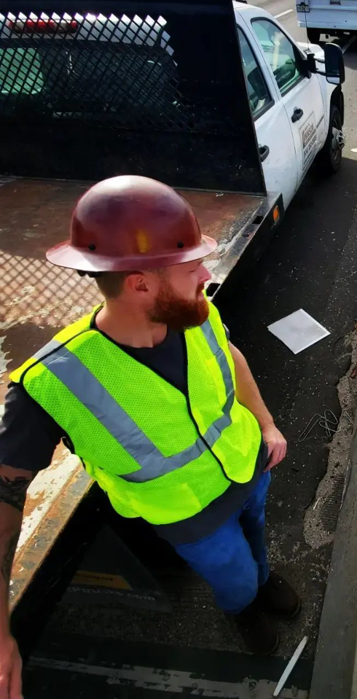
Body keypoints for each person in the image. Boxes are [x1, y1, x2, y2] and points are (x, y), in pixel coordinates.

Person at [0, 175, 298, 695]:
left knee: (257, 540)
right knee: (234, 579)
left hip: (248, 465)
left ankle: (263, 582)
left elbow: (233, 358)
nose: (206, 275)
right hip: (189, 515)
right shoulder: (52, 381)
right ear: (140, 282)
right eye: (190, 268)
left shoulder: (195, 310)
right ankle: (243, 608)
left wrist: (267, 424)